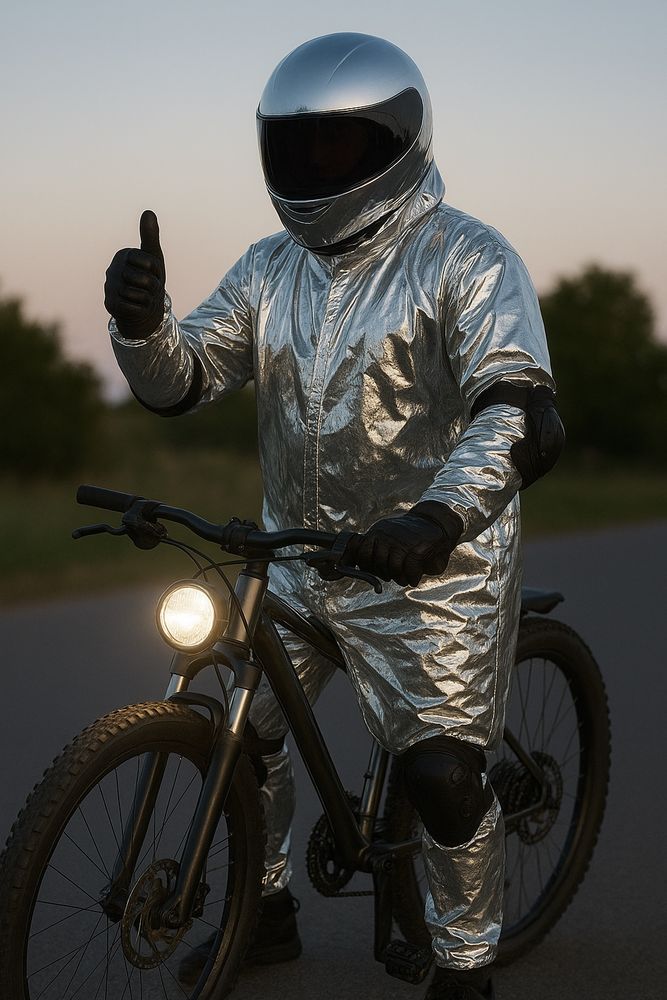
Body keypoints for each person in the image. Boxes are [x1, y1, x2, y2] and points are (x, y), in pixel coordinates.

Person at [104, 32, 563, 1000]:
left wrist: (438, 517)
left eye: (338, 145)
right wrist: (143, 329)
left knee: (442, 778)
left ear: (395, 144)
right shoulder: (270, 268)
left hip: (433, 570)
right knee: (248, 731)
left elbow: (519, 412)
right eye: (297, 144)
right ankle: (263, 911)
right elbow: (189, 379)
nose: (314, 165)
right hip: (299, 557)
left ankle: (465, 967)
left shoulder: (468, 258)